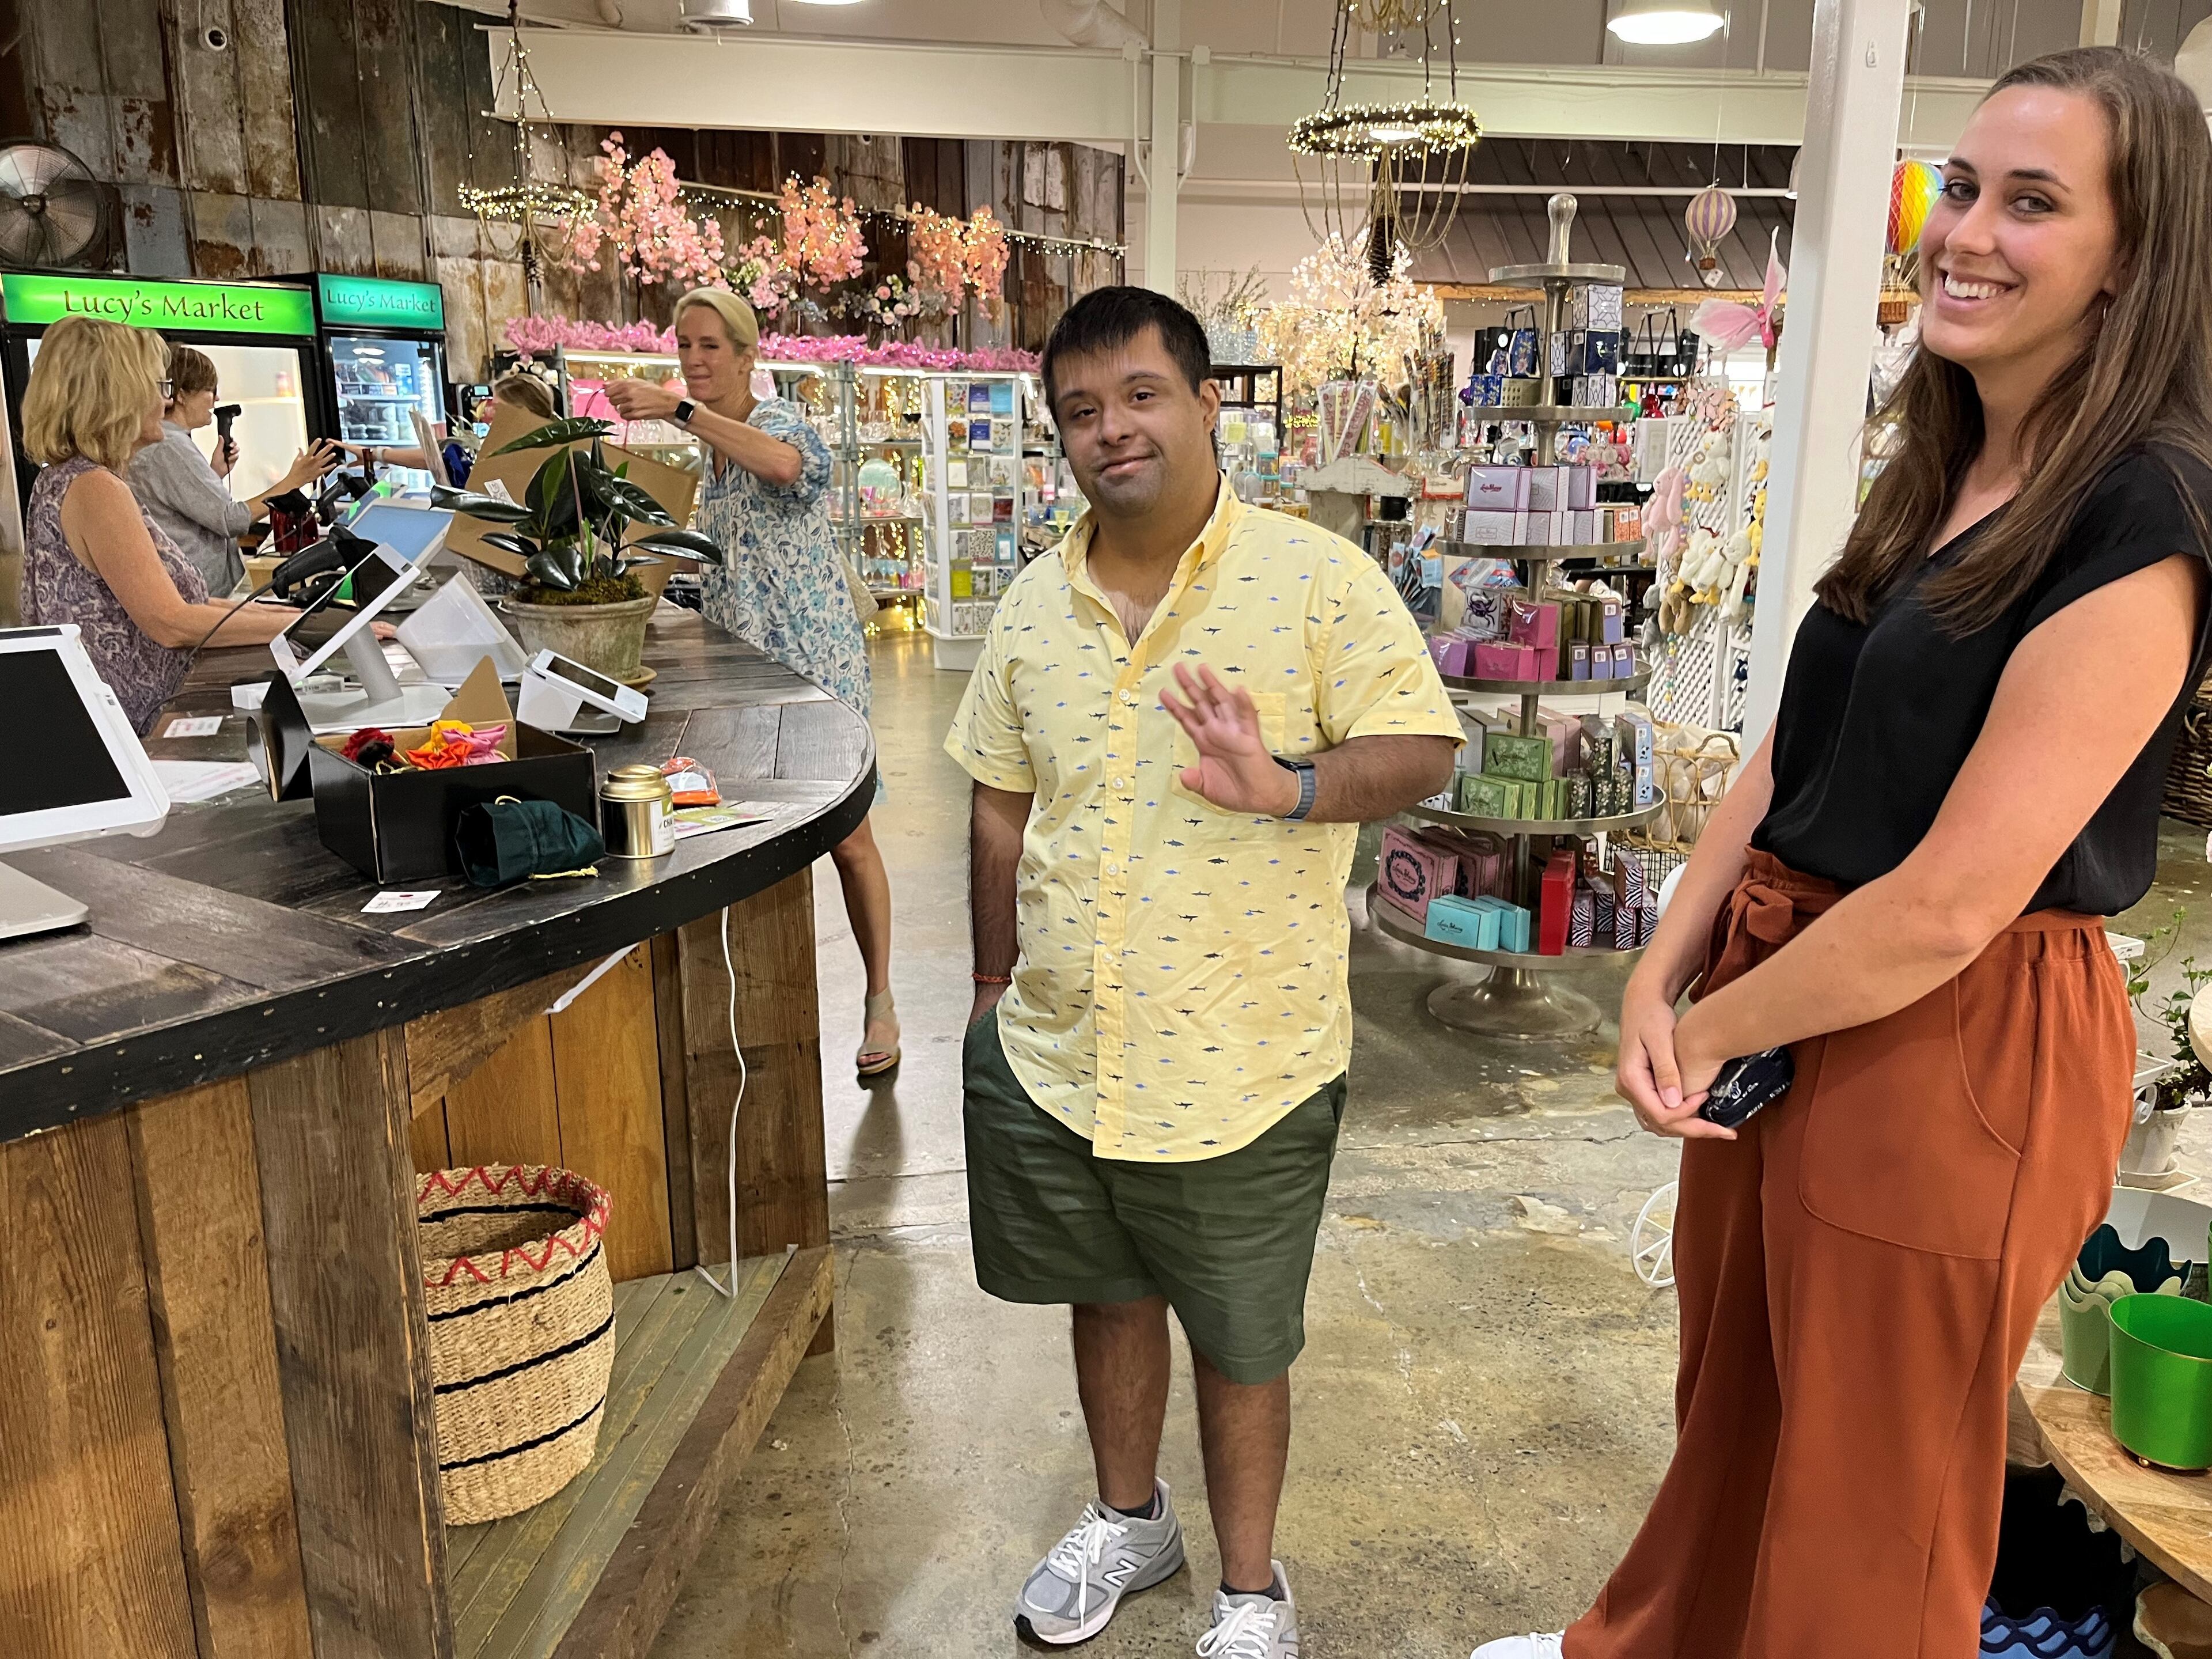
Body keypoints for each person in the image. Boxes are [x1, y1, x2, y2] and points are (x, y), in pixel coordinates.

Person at [1474, 46, 2212, 1659]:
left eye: (2035, 202)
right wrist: (1663, 969)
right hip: (1786, 983)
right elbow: (1782, 756)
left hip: (1951, 1034)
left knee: (1868, 1494)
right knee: (1739, 1402)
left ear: (2134, 256)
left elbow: (1953, 900)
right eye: (1961, 187)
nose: (1969, 232)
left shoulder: (2142, 515)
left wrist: (1715, 1026)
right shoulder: (1944, 461)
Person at [948, 287, 1460, 1657]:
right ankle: (1129, 1517)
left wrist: (1288, 784)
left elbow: (1420, 745)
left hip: (1244, 1054)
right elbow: (999, 802)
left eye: (1138, 394)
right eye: (1078, 410)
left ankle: (1247, 1587)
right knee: (1103, 1293)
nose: (1109, 429)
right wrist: (992, 992)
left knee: (1241, 1335)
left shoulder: (1314, 581)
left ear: (1203, 401)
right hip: (1060, 1051)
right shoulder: (1028, 608)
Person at [601, 289, 900, 1076]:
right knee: (753, 826)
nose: (695, 361)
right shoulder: (710, 457)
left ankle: (881, 999)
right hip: (751, 665)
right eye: (684, 347)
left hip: (815, 658)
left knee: (851, 837)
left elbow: (789, 468)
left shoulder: (775, 425)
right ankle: (762, 1003)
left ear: (747, 355)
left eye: (710, 346)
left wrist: (674, 409)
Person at [20, 316, 304, 734]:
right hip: (142, 731)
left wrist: (292, 614)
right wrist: (303, 626)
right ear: (118, 395)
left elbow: (185, 602)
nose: (166, 402)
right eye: (160, 388)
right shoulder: (94, 488)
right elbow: (171, 623)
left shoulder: (67, 478)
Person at [127, 342, 337, 597]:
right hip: (203, 596)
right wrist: (293, 482)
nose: (216, 399)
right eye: (210, 390)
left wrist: (213, 473)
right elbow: (230, 520)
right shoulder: (169, 446)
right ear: (181, 395)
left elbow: (182, 509)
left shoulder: (172, 443)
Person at [344, 372, 559, 478]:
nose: (489, 415)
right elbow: (436, 459)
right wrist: (376, 455)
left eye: (498, 407)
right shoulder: (497, 448)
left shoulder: (548, 459)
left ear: (522, 410)